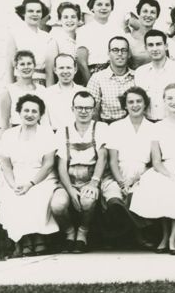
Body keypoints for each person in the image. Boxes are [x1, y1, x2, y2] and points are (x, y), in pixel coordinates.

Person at [128, 84, 175, 254]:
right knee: (158, 186)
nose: (174, 102)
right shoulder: (157, 127)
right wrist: (168, 174)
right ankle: (165, 236)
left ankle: (174, 238)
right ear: (164, 101)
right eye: (170, 98)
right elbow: (156, 160)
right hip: (164, 168)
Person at [50, 91, 122, 252]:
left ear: (94, 110)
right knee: (57, 205)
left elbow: (103, 157)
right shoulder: (63, 130)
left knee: (87, 201)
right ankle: (69, 232)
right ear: (72, 109)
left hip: (92, 176)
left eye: (88, 108)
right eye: (79, 107)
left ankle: (83, 232)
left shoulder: (101, 127)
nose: (83, 111)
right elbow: (61, 164)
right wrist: (69, 190)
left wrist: (94, 182)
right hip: (68, 178)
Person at [0, 94, 59, 257]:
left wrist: (31, 183)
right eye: (26, 110)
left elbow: (48, 164)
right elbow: (6, 165)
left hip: (42, 177)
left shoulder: (47, 133)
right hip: (15, 177)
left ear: (40, 114)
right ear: (19, 113)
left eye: (34, 111)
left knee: (36, 195)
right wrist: (13, 184)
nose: (30, 114)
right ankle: (26, 239)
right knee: (14, 196)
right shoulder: (9, 135)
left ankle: (39, 238)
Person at [105, 87, 157, 244]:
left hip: (142, 175)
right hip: (117, 174)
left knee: (137, 197)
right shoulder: (115, 127)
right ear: (125, 105)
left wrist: (134, 180)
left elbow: (154, 162)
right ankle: (139, 231)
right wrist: (122, 182)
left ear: (145, 104)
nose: (135, 105)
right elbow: (112, 161)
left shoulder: (154, 128)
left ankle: (136, 234)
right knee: (114, 200)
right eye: (131, 102)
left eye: (139, 101)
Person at [132, 30, 175, 121]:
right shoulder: (140, 72)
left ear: (166, 46)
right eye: (150, 45)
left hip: (172, 123)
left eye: (158, 44)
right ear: (146, 48)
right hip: (148, 123)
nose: (155, 49)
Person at [8, 0, 57, 86]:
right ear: (23, 13)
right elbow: (10, 67)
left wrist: (50, 94)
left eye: (38, 11)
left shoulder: (48, 38)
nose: (35, 14)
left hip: (41, 83)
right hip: (20, 83)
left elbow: (49, 72)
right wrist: (11, 89)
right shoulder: (15, 35)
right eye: (31, 11)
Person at [76, 0, 120, 76]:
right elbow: (82, 62)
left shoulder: (118, 30)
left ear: (112, 8)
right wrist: (89, 84)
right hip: (92, 73)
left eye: (107, 5)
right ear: (92, 8)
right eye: (99, 4)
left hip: (115, 73)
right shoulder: (84, 31)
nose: (103, 8)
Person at [0, 50, 41, 130]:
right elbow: (4, 123)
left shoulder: (41, 90)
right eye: (22, 64)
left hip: (38, 134)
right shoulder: (9, 91)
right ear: (16, 68)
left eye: (29, 63)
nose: (26, 67)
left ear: (34, 66)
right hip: (17, 135)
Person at [42, 53, 83, 131]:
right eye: (61, 68)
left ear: (75, 69)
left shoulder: (83, 92)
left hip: (78, 136)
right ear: (55, 70)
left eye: (68, 67)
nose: (65, 71)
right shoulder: (47, 93)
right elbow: (45, 123)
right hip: (55, 137)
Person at [50, 2, 85, 76]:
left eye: (73, 17)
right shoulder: (55, 40)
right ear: (59, 20)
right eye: (65, 17)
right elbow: (50, 70)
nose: (70, 20)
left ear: (78, 20)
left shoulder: (82, 38)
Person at [127, 0, 161, 68]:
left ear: (157, 16)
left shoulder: (159, 38)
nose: (148, 15)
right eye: (145, 11)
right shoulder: (128, 38)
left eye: (152, 12)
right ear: (139, 13)